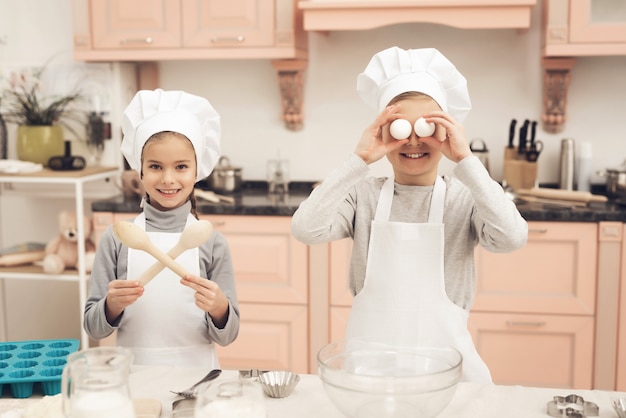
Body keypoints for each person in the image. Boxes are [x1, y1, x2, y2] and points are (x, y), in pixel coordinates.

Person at [291, 47, 528, 383]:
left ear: (447, 132)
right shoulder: (364, 196)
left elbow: (512, 237)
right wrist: (358, 159)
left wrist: (466, 161)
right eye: (401, 127)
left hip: (447, 379)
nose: (413, 140)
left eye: (428, 127)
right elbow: (305, 229)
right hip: (370, 378)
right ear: (383, 131)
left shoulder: (464, 200)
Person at [84, 89, 240, 368]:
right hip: (134, 373)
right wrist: (112, 304)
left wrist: (219, 307)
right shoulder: (117, 238)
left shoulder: (212, 241)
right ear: (140, 170)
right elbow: (94, 329)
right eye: (155, 166)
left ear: (197, 171)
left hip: (198, 376)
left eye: (181, 166)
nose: (168, 179)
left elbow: (229, 335)